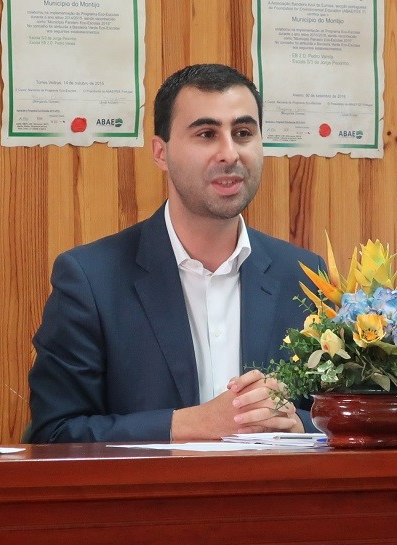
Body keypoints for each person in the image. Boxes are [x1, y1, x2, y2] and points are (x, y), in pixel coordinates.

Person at [26, 64, 324, 443]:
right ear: (161, 153)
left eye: (244, 133)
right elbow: (53, 434)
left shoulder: (305, 276)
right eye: (206, 134)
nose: (229, 153)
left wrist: (297, 423)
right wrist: (191, 426)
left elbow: (343, 418)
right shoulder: (91, 280)